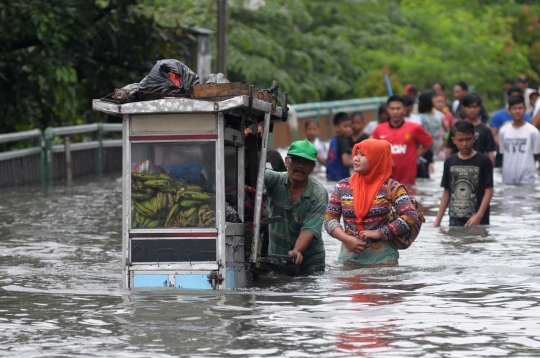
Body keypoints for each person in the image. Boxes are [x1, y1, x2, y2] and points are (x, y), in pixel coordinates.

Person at [324, 139, 423, 265]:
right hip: (349, 259)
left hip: (383, 262)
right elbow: (329, 219)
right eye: (356, 154)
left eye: (363, 155)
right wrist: (346, 239)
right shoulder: (342, 186)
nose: (356, 158)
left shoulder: (392, 187)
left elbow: (411, 216)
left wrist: (379, 233)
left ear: (376, 158)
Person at [265, 140, 329, 275]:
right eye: (296, 160)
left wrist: (297, 251)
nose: (300, 166)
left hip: (310, 260)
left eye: (306, 163)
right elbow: (255, 176)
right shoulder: (274, 180)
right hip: (277, 255)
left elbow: (309, 229)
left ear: (313, 167)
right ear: (286, 162)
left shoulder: (318, 194)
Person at [433, 121, 494, 227]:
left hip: (478, 220)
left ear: (474, 138)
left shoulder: (484, 161)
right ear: (453, 140)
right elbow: (447, 191)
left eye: (468, 139)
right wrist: (437, 222)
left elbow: (488, 190)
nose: (464, 144)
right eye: (460, 140)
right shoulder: (450, 161)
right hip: (455, 219)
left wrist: (479, 215)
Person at [371, 95, 433, 185]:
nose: (395, 112)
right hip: (385, 182)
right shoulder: (379, 129)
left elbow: (428, 142)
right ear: (388, 110)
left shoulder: (414, 128)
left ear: (404, 110)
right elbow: (370, 149)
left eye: (398, 108)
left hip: (408, 181)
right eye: (392, 109)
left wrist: (415, 154)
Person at [499, 95, 540, 185]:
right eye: (514, 108)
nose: (517, 111)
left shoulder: (533, 132)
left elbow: (536, 154)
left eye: (520, 108)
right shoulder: (503, 131)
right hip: (508, 177)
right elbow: (503, 152)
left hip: (527, 178)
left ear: (525, 109)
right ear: (509, 111)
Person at [446, 93, 496, 164]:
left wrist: (490, 170)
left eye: (475, 107)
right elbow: (449, 150)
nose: (472, 110)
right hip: (458, 167)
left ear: (479, 108)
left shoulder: (485, 129)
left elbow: (490, 153)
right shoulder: (456, 128)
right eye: (469, 107)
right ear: (464, 107)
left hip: (479, 167)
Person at [489, 87, 532, 167]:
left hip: (523, 155)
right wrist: (504, 146)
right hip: (503, 154)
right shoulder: (498, 115)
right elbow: (492, 134)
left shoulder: (526, 116)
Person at [326, 112, 353, 181]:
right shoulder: (343, 142)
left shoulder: (333, 140)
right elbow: (346, 162)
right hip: (341, 179)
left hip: (330, 177)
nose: (349, 129)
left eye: (350, 126)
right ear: (337, 127)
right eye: (345, 126)